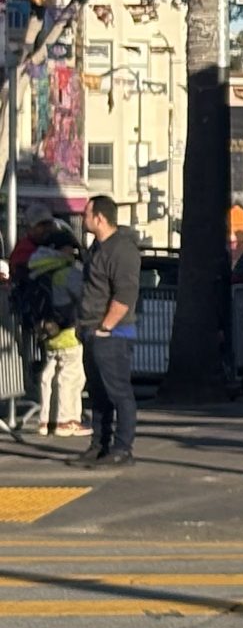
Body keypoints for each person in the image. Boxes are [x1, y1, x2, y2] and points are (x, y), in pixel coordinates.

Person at [76, 196, 140, 466]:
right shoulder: (96, 248)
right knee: (98, 392)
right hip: (91, 329)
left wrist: (106, 327)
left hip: (112, 334)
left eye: (86, 214)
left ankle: (123, 448)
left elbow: (125, 293)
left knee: (118, 392)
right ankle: (99, 445)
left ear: (99, 217)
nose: (83, 219)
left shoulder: (121, 250)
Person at [27, 226, 86, 440]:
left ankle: (46, 421)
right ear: (62, 250)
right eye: (70, 249)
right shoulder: (66, 272)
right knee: (71, 376)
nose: (73, 253)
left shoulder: (37, 268)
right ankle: (67, 420)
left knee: (49, 376)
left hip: (45, 330)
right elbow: (82, 296)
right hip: (67, 328)